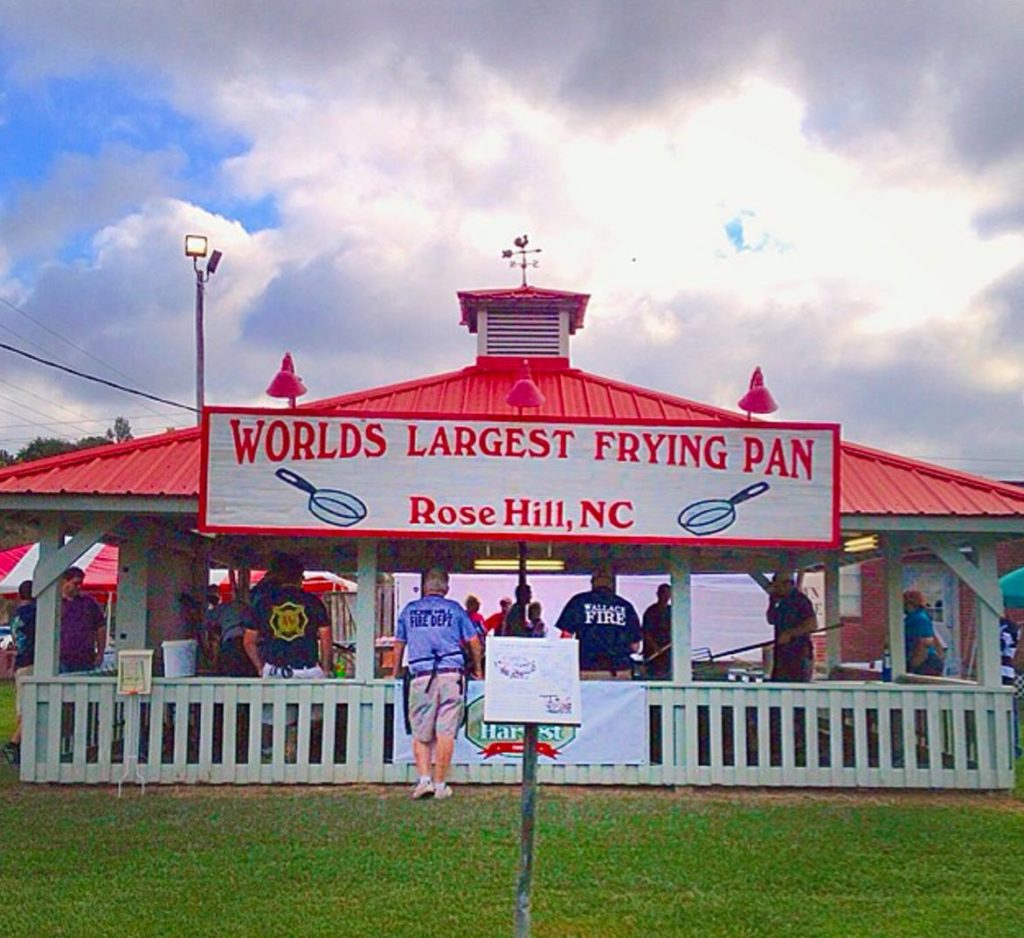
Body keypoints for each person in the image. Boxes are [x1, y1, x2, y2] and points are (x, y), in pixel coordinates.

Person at [392, 566, 482, 800]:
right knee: (445, 730)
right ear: (446, 588)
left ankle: (424, 780)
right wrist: (478, 670)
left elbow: (399, 643)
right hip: (451, 673)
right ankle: (441, 783)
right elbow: (474, 642)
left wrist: (395, 672)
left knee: (421, 730)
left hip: (421, 674)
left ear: (424, 588)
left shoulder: (410, 610)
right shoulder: (455, 609)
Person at [244, 552, 333, 678]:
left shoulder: (263, 603)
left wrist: (261, 667)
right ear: (300, 576)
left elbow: (249, 641)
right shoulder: (313, 602)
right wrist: (326, 668)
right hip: (307, 670)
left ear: (277, 576)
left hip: (274, 670)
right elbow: (326, 638)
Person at [553, 568, 642, 676]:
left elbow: (566, 639)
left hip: (587, 668)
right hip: (619, 670)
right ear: (611, 583)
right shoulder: (625, 606)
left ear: (593, 582)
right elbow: (635, 646)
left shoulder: (578, 602)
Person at [2, 580, 36, 765]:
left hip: (20, 663)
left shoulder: (17, 615)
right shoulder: (35, 613)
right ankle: (14, 743)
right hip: (32, 663)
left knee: (22, 707)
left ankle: (21, 745)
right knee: (32, 706)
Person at [766, 571, 816, 682]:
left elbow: (812, 625)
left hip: (798, 653)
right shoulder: (781, 602)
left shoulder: (801, 600)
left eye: (778, 586)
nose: (776, 589)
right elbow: (771, 620)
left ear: (788, 584)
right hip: (782, 653)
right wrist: (772, 601)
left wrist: (790, 633)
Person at [59, 566, 106, 673]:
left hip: (85, 657)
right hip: (61, 658)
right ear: (65, 581)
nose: (79, 587)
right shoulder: (55, 603)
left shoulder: (89, 603)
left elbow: (100, 627)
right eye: (75, 583)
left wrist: (100, 653)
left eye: (81, 584)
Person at [903, 590, 944, 677]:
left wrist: (915, 664)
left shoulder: (919, 618)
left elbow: (926, 642)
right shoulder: (911, 618)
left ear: (910, 603)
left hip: (924, 661)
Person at [641, 583, 673, 680]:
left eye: (668, 594)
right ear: (658, 594)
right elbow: (645, 632)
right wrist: (654, 647)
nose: (666, 596)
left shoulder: (672, 610)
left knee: (667, 674)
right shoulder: (651, 611)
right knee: (653, 674)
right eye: (664, 593)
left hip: (668, 649)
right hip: (653, 651)